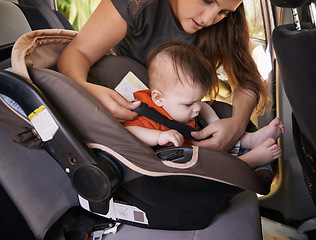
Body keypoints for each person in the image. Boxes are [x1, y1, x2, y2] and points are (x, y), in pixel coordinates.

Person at [57, 0, 269, 152]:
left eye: (224, 12)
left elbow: (247, 82)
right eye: (206, 1)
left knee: (226, 115)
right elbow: (76, 53)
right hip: (134, 112)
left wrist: (237, 124)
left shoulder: (224, 25)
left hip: (176, 116)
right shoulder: (137, 4)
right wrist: (87, 90)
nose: (209, 19)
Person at [123, 41, 284, 168]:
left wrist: (215, 123)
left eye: (199, 99)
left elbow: (204, 107)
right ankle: (247, 162)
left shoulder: (184, 104)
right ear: (159, 99)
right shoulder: (149, 115)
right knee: (211, 164)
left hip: (200, 146)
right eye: (189, 104)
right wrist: (158, 137)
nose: (198, 107)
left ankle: (250, 140)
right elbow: (129, 131)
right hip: (183, 166)